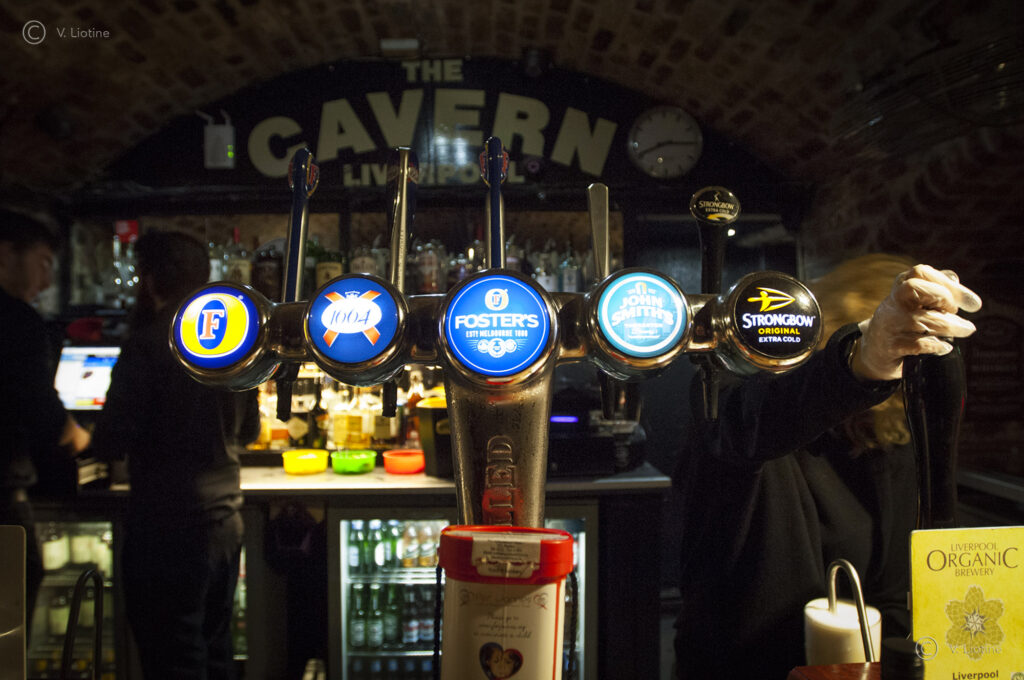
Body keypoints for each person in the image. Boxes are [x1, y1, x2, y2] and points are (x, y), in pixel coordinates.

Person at [672, 254, 983, 679]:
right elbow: (749, 423)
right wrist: (865, 358)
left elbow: (895, 595)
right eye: (900, 337)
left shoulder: (889, 440)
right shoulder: (732, 397)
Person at [90, 230, 259, 679]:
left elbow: (110, 439)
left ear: (149, 280)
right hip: (225, 521)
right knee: (215, 652)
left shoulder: (148, 343)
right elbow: (251, 430)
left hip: (167, 527)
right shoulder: (235, 340)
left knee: (172, 661)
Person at [0, 208, 91, 638]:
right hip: (3, 498)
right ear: (5, 256)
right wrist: (78, 436)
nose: (48, 280)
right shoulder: (17, 320)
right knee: (8, 628)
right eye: (43, 263)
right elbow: (39, 406)